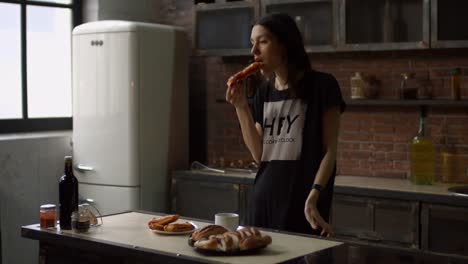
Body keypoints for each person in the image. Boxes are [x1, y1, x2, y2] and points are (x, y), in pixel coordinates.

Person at [226, 13, 345, 237]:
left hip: (304, 205)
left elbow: (330, 151)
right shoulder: (264, 92)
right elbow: (260, 155)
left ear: (285, 44)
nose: (254, 52)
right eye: (252, 43)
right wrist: (241, 107)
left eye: (263, 41)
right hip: (263, 202)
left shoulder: (323, 86)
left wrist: (314, 195)